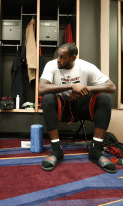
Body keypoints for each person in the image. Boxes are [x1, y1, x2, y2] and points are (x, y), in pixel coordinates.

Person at [39, 43, 117, 173]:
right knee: (47, 98)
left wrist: (84, 89)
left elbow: (111, 87)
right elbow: (41, 88)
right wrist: (71, 86)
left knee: (104, 98)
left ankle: (96, 151)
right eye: (58, 56)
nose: (58, 59)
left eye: (62, 57)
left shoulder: (85, 66)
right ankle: (56, 150)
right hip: (62, 106)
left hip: (81, 105)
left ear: (73, 58)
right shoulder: (52, 65)